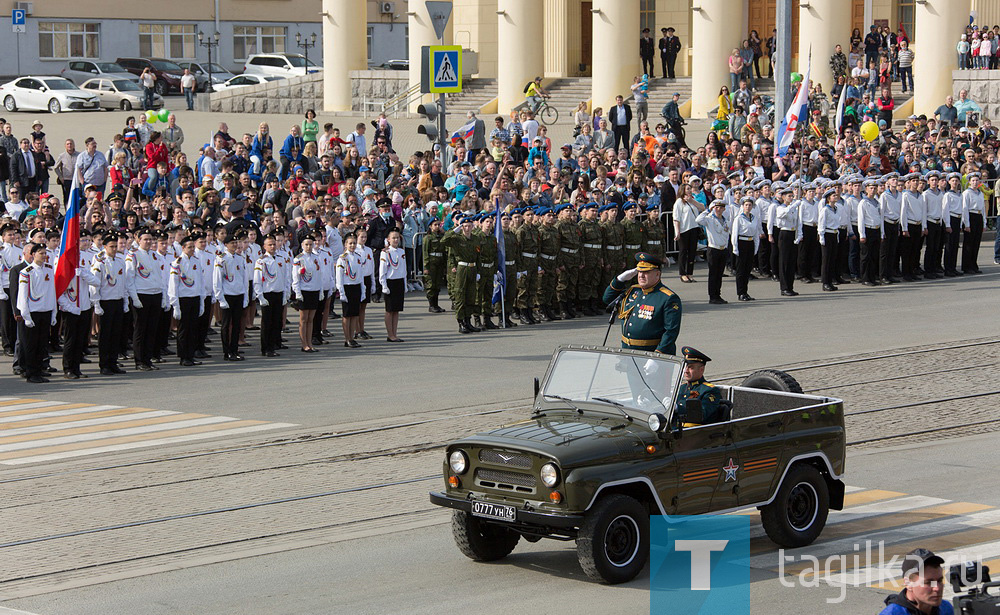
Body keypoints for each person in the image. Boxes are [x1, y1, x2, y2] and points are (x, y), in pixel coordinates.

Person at [602, 252, 682, 355]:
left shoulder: (668, 298)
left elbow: (671, 332)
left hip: (652, 353)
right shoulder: (633, 291)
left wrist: (658, 355)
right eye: (639, 271)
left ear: (657, 274)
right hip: (628, 352)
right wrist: (619, 280)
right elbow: (607, 299)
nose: (641, 276)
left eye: (646, 272)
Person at [125, 227, 168, 371]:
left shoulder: (155, 255)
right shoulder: (133, 255)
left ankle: (148, 359)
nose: (149, 242)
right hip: (141, 295)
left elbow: (159, 277)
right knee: (140, 329)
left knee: (152, 329)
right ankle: (139, 360)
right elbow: (129, 279)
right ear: (138, 240)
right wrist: (135, 298)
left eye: (150, 239)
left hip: (155, 294)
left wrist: (162, 296)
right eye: (145, 239)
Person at [15, 243, 55, 383]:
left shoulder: (49, 269)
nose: (44, 256)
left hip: (45, 311)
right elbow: (23, 296)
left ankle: (38, 371)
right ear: (33, 255)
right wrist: (26, 316)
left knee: (42, 344)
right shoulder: (27, 272)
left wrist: (53, 312)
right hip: (33, 313)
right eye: (40, 253)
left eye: (45, 253)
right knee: (31, 345)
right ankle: (31, 373)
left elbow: (52, 292)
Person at [91, 229, 129, 375]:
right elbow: (95, 285)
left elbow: (123, 283)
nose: (114, 249)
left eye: (115, 246)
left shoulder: (120, 261)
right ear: (105, 247)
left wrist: (125, 301)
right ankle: (104, 364)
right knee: (105, 335)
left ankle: (113, 362)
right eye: (111, 246)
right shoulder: (100, 263)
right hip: (105, 302)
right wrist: (97, 304)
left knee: (116, 334)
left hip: (117, 300)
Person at [877, 549, 952, 615]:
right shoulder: (892, 613)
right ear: (908, 584)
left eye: (939, 580)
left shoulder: (946, 608)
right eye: (928, 582)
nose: (937, 588)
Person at [167, 234, 204, 366]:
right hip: (183, 299)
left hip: (194, 297)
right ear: (183, 248)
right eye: (189, 247)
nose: (192, 249)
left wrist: (201, 301)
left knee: (193, 328)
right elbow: (173, 285)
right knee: (183, 329)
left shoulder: (196, 261)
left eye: (193, 247)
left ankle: (191, 354)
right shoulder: (177, 263)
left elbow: (200, 281)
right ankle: (183, 356)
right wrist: (175, 305)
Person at [213, 231, 248, 361]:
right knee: (226, 325)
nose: (234, 245)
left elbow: (244, 279)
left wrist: (245, 296)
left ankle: (234, 349)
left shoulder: (240, 258)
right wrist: (220, 298)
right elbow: (217, 280)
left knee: (237, 324)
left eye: (235, 243)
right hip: (227, 295)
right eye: (231, 243)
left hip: (238, 294)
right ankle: (226, 351)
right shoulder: (221, 258)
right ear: (225, 244)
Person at [253, 233, 287, 357]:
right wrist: (260, 296)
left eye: (274, 244)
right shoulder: (261, 261)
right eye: (270, 245)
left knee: (276, 321)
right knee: (267, 323)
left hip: (278, 293)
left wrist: (285, 294)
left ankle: (273, 346)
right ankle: (265, 348)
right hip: (267, 294)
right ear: (264, 246)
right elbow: (257, 280)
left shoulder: (281, 259)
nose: (273, 246)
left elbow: (285, 278)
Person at [675, 347, 722, 425]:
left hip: (694, 433)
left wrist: (678, 408)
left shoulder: (709, 390)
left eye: (690, 367)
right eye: (685, 366)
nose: (686, 371)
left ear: (701, 370)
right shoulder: (682, 388)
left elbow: (702, 414)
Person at [695, 200, 730, 304]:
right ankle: (712, 296)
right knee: (713, 274)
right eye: (716, 207)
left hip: (722, 249)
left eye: (721, 207)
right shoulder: (709, 219)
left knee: (719, 274)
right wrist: (707, 210)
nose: (718, 209)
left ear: (724, 209)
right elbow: (698, 220)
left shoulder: (726, 221)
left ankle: (718, 294)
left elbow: (726, 235)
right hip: (713, 249)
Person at [292, 233, 322, 353]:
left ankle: (309, 342)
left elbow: (319, 275)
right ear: (302, 245)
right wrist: (297, 293)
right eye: (306, 244)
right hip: (304, 291)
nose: (309, 247)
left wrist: (320, 291)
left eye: (311, 244)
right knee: (303, 319)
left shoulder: (316, 258)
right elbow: (295, 278)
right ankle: (304, 343)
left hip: (314, 290)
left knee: (311, 319)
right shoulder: (298, 259)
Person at [336, 233, 365, 348]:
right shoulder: (342, 258)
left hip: (356, 286)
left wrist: (363, 290)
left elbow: (360, 275)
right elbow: (339, 277)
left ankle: (352, 337)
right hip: (347, 287)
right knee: (347, 315)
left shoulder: (358, 257)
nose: (352, 245)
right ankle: (347, 338)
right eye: (350, 243)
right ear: (345, 245)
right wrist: (341, 292)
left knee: (354, 314)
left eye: (354, 243)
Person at [730, 197, 760, 302]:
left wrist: (756, 247)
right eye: (746, 205)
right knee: (741, 270)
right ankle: (740, 293)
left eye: (750, 205)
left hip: (750, 243)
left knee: (747, 269)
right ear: (743, 206)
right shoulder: (739, 218)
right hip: (741, 242)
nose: (748, 207)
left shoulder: (754, 218)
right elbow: (734, 234)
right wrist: (735, 248)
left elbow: (756, 234)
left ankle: (745, 292)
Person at [379, 229, 406, 342]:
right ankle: (390, 334)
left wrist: (405, 283)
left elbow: (404, 268)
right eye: (393, 238)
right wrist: (384, 285)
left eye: (397, 238)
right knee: (389, 310)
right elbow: (382, 270)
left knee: (396, 310)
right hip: (390, 282)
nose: (396, 240)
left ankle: (395, 333)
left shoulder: (401, 252)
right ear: (388, 240)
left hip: (399, 281)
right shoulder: (385, 252)